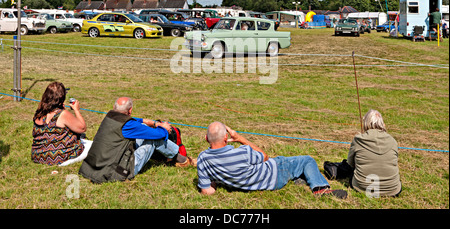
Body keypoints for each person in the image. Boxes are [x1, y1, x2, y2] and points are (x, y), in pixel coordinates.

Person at [197, 122, 347, 199]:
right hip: (275, 173)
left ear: (206, 139)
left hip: (261, 180)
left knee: (296, 168)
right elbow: (264, 156)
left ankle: (300, 178)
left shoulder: (203, 159)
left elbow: (207, 191)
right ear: (226, 137)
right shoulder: (242, 152)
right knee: (307, 160)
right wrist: (240, 138)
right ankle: (320, 188)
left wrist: (216, 179)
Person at [79, 97, 196, 184]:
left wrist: (155, 123)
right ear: (130, 110)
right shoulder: (127, 125)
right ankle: (182, 160)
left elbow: (138, 121)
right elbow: (158, 134)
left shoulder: (110, 117)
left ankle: (171, 157)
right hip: (115, 171)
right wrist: (164, 127)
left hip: (93, 166)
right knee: (154, 139)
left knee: (144, 129)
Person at [31, 82, 92, 166]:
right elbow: (82, 128)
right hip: (59, 157)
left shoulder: (39, 112)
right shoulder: (62, 114)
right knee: (93, 145)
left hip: (38, 155)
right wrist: (76, 110)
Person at [347, 110, 402, 197]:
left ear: (365, 123)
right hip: (392, 190)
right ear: (382, 124)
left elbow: (350, 163)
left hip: (362, 187)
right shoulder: (393, 141)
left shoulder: (358, 140)